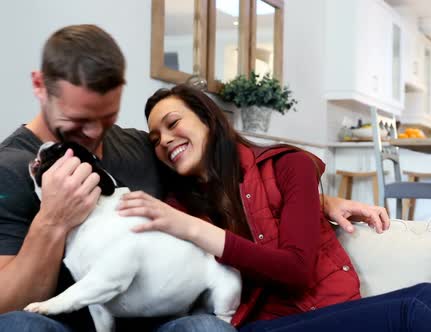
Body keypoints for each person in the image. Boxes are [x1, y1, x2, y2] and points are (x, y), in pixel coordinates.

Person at [0, 24, 388, 332]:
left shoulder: (145, 149)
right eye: (79, 121)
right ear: (39, 86)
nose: (95, 133)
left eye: (108, 117)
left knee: (207, 328)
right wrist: (52, 219)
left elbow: (221, 186)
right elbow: (6, 302)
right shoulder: (11, 167)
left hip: (170, 319)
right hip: (75, 321)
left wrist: (316, 201)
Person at [116, 83, 431, 332]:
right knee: (417, 303)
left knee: (426, 301)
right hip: (257, 326)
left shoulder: (290, 166)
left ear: (209, 121)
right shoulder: (177, 206)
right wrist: (184, 224)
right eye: (154, 138)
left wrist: (316, 202)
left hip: (326, 313)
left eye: (172, 124)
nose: (164, 140)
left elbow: (296, 269)